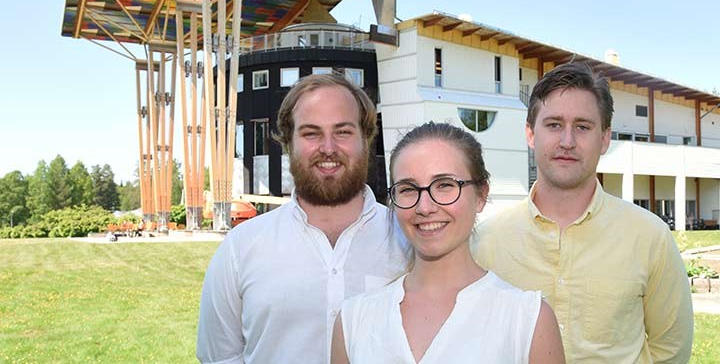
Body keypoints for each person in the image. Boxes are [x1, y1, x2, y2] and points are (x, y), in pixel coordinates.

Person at [472, 62, 693, 362]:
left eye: (583, 126)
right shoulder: (484, 242)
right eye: (553, 125)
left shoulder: (650, 237)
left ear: (604, 139)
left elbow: (671, 348)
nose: (567, 141)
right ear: (530, 134)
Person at [196, 73, 408, 363]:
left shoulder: (408, 240)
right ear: (288, 144)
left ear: (366, 139)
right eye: (311, 133)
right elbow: (219, 357)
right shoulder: (240, 248)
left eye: (343, 131)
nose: (329, 148)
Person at [331, 122, 565, 364]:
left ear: (481, 196)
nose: (424, 207)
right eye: (408, 189)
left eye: (444, 185)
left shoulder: (526, 321)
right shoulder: (353, 321)